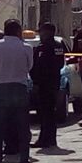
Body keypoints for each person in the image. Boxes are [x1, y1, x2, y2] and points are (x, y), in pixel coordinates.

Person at [0, 19, 33, 163]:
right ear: (19, 31)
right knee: (22, 128)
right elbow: (29, 67)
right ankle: (24, 162)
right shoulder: (27, 47)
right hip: (19, 88)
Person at [31, 21, 64, 149]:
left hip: (45, 83)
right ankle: (50, 139)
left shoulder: (46, 47)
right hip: (52, 82)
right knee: (48, 112)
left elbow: (39, 66)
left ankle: (46, 139)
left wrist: (37, 80)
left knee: (46, 112)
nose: (41, 34)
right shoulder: (54, 46)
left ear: (49, 32)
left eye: (42, 31)